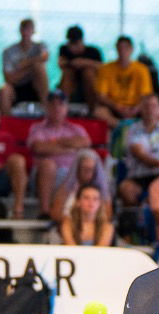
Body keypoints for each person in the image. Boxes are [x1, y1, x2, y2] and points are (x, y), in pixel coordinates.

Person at [28, 90, 91, 218]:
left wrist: (54, 144)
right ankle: (44, 212)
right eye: (53, 104)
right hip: (44, 177)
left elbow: (85, 142)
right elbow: (39, 147)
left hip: (71, 175)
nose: (56, 108)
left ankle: (79, 217)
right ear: (47, 107)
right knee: (48, 164)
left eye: (60, 104)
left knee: (84, 167)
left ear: (66, 108)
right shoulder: (37, 128)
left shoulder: (76, 129)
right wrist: (69, 148)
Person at [119, 94, 159, 206]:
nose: (150, 109)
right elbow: (139, 154)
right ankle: (137, 218)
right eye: (146, 106)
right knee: (125, 189)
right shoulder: (132, 130)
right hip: (138, 177)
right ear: (140, 109)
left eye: (154, 106)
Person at [92, 36, 151, 126]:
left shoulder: (142, 69)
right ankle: (121, 126)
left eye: (126, 48)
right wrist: (116, 107)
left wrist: (136, 108)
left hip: (135, 107)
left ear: (131, 49)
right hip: (114, 107)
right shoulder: (106, 68)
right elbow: (101, 96)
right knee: (99, 112)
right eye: (120, 48)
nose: (123, 51)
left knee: (155, 111)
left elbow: (146, 95)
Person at [0, 19, 50, 116]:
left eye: (29, 29)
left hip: (36, 88)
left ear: (33, 31)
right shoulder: (8, 51)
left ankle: (47, 111)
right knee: (4, 90)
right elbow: (9, 78)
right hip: (17, 88)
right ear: (20, 31)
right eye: (24, 29)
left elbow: (45, 57)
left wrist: (25, 63)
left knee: (39, 68)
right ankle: (6, 122)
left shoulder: (40, 46)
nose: (26, 32)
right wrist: (31, 69)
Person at [50, 148, 109, 224]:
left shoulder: (102, 191)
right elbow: (55, 214)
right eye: (84, 168)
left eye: (90, 169)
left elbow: (107, 216)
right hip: (67, 226)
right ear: (77, 168)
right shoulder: (65, 189)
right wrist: (74, 224)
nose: (87, 173)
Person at [58, 26, 103, 105]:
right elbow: (61, 64)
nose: (74, 46)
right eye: (72, 43)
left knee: (88, 72)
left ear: (82, 41)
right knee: (68, 73)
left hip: (90, 83)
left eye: (76, 43)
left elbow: (103, 67)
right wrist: (72, 63)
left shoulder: (93, 51)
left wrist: (85, 63)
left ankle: (94, 107)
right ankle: (62, 106)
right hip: (72, 84)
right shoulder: (64, 49)